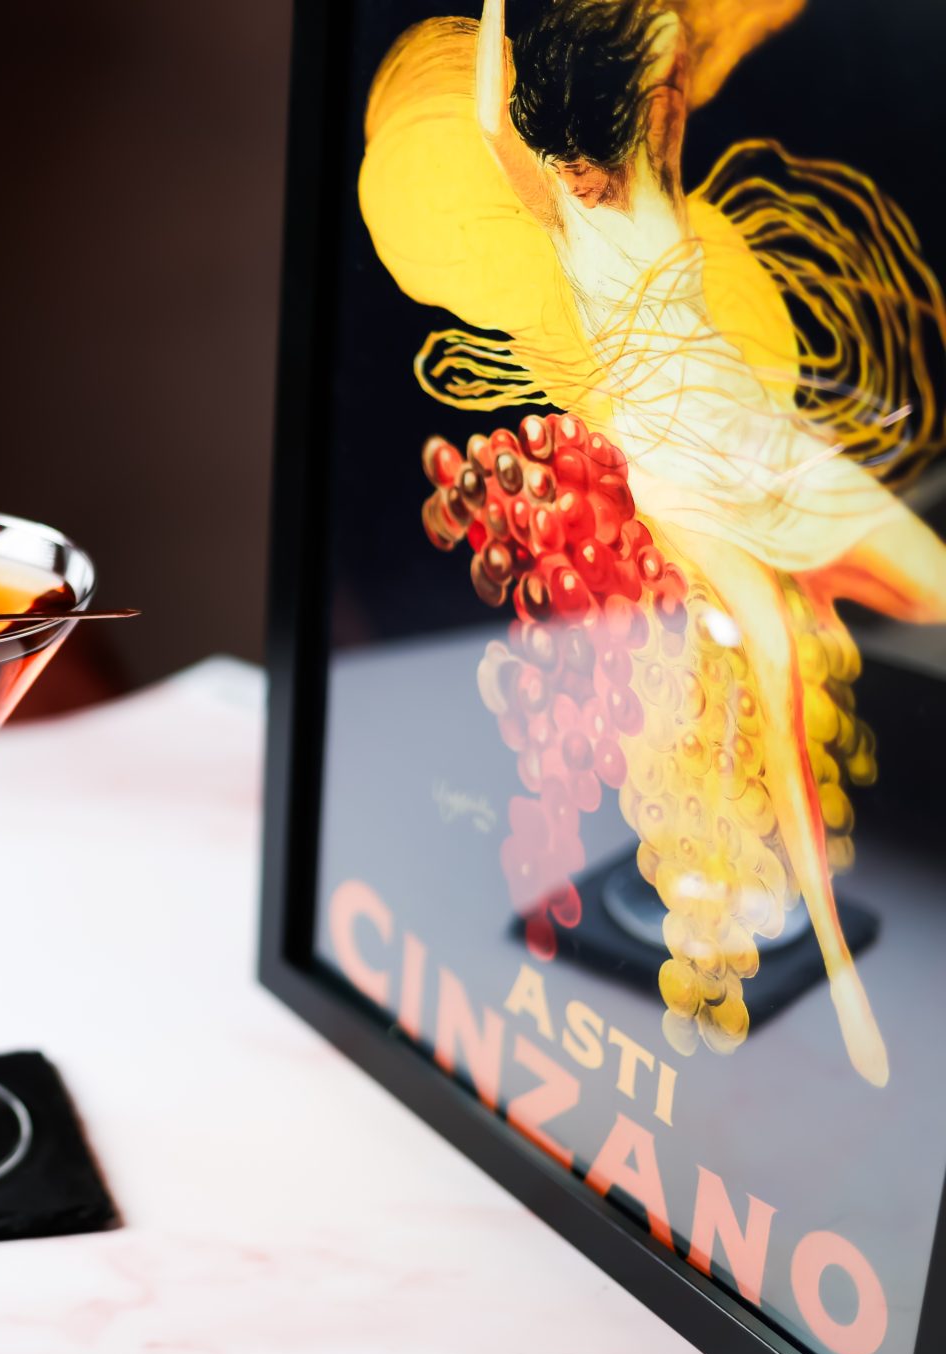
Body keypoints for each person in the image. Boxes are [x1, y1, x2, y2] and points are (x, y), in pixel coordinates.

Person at [361, 0, 946, 1084]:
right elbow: (493, 107)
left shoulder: (662, 174)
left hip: (766, 447)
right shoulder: (542, 200)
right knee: (768, 672)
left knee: (926, 585)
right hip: (686, 478)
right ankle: (828, 959)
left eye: (669, 76)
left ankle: (766, 893)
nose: (670, 86)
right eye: (652, 73)